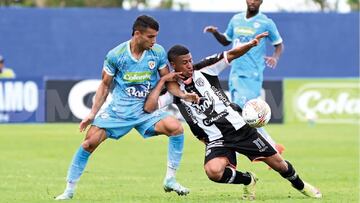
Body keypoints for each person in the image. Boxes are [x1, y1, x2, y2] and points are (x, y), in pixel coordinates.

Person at [144, 32, 322, 200]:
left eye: (190, 60)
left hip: (240, 129)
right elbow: (149, 107)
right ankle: (248, 179)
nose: (190, 65)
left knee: (280, 165)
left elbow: (231, 54)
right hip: (216, 139)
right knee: (213, 172)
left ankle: (301, 185)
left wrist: (251, 44)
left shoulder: (205, 69)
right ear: (173, 65)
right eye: (185, 62)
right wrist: (162, 81)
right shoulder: (173, 91)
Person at [55, 15, 199, 200]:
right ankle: (69, 190)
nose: (154, 41)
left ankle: (170, 179)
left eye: (156, 36)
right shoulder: (116, 55)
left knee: (176, 128)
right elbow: (105, 86)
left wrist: (184, 95)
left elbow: (169, 82)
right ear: (137, 34)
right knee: (88, 143)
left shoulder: (157, 52)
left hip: (145, 112)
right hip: (119, 112)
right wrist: (92, 114)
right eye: (150, 37)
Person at [203, 0, 285, 154]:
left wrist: (275, 57)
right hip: (235, 72)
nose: (252, 1)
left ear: (261, 1)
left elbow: (279, 43)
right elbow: (226, 41)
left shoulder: (266, 22)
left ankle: (266, 148)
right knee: (240, 113)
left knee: (243, 112)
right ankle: (272, 147)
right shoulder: (236, 19)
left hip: (251, 74)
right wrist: (215, 33)